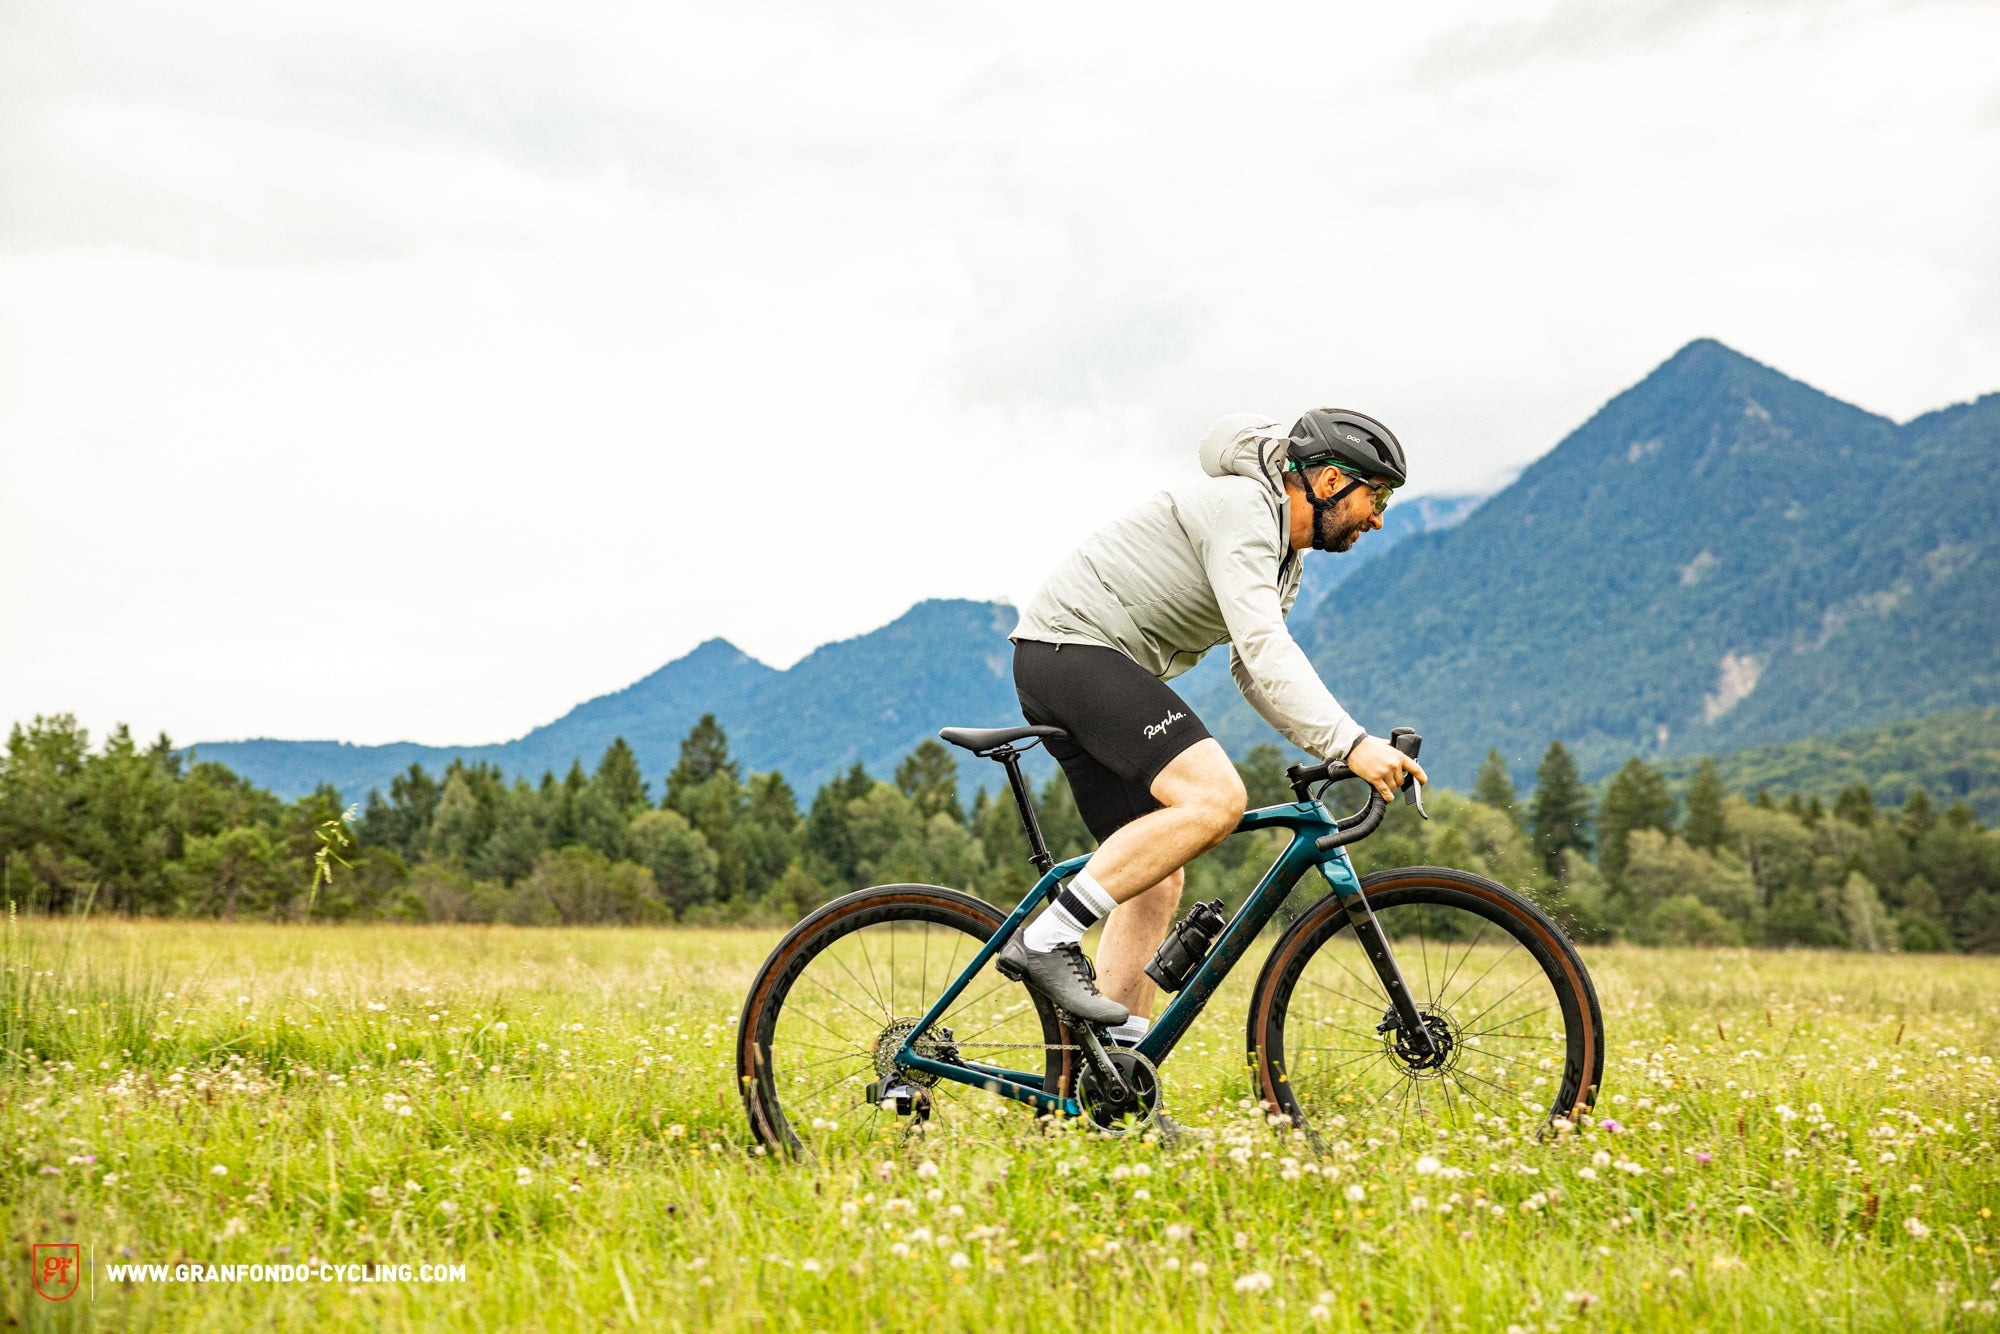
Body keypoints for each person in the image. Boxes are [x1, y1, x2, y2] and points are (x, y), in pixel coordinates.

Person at [996, 409, 1429, 1041]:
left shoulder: (1285, 554)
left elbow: (1251, 670)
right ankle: (1048, 937)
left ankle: (1114, 1081)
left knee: (1155, 873)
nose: (1379, 518)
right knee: (1217, 799)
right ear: (1332, 481)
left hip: (1075, 662)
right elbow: (1263, 647)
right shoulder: (1246, 512)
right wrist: (1352, 743)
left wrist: (1333, 746)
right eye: (1377, 496)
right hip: (1072, 652)